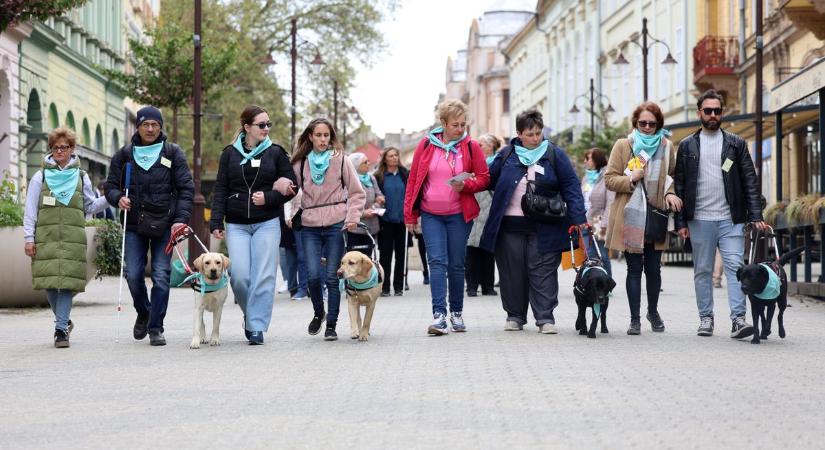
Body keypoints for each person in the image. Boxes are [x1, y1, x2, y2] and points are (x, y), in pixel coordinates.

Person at [480, 109, 586, 334]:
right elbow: (488, 179)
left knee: (543, 271)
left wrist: (579, 219)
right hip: (509, 227)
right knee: (512, 273)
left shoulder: (554, 154)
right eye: (530, 134)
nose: (535, 138)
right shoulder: (507, 154)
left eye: (538, 133)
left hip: (546, 226)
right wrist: (468, 182)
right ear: (519, 133)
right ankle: (515, 316)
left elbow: (571, 187)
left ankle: (545, 318)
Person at [674, 89, 766, 339]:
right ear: (699, 113)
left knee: (737, 269)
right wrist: (680, 222)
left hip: (730, 218)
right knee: (703, 270)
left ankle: (738, 319)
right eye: (708, 110)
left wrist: (755, 214)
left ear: (722, 113)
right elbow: (679, 186)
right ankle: (706, 318)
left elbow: (749, 180)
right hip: (699, 219)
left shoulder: (735, 143)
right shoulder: (687, 145)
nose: (713, 115)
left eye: (717, 110)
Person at [104, 106, 194, 347]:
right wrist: (116, 198)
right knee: (133, 274)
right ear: (138, 127)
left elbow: (186, 189)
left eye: (155, 124)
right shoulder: (124, 155)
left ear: (161, 127)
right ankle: (144, 311)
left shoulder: (173, 153)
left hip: (165, 224)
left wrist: (180, 220)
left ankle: (156, 327)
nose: (151, 129)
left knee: (162, 276)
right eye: (146, 124)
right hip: (134, 223)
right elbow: (110, 185)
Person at [209, 105, 296, 345]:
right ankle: (251, 315)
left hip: (267, 222)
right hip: (236, 224)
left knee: (264, 276)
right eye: (261, 125)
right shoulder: (229, 154)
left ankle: (256, 326)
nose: (266, 129)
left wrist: (269, 198)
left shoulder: (276, 153)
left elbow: (292, 187)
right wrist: (216, 221)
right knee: (238, 276)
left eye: (269, 124)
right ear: (247, 127)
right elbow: (221, 190)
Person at [403, 99, 489, 335]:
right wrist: (409, 214)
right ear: (443, 123)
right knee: (437, 263)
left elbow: (484, 177)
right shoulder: (426, 145)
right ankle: (439, 315)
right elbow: (413, 181)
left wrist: (467, 185)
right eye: (455, 125)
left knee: (456, 264)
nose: (460, 129)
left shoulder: (471, 146)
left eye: (463, 124)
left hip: (459, 215)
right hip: (431, 214)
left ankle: (457, 313)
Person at [23, 127, 109, 347]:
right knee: (50, 283)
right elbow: (31, 210)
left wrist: (112, 198)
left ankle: (61, 330)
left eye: (64, 147)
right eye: (56, 147)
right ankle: (64, 320)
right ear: (51, 149)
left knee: (67, 285)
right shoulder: (40, 176)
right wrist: (29, 238)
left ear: (72, 149)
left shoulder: (81, 176)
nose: (60, 151)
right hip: (46, 237)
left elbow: (91, 205)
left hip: (73, 238)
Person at [604, 102, 682, 335]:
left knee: (654, 270)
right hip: (631, 215)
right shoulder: (623, 145)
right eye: (642, 123)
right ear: (635, 124)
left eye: (652, 124)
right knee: (634, 269)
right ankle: (635, 319)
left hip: (656, 214)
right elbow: (609, 179)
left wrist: (670, 193)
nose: (647, 128)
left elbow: (672, 178)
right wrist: (630, 179)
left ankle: (653, 311)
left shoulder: (667, 147)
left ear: (659, 125)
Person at [292, 118, 366, 341]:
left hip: (335, 223)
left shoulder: (341, 161)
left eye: (326, 135)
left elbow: (356, 192)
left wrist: (352, 217)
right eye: (318, 135)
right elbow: (289, 190)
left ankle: (331, 325)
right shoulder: (299, 163)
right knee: (313, 276)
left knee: (333, 277)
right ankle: (319, 313)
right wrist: (288, 205)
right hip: (309, 224)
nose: (323, 139)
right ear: (310, 137)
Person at [465, 133, 500, 297]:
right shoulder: (471, 162)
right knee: (472, 248)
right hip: (475, 205)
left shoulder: (497, 163)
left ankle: (487, 285)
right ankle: (471, 285)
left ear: (491, 146)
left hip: (490, 206)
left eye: (482, 144)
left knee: (488, 248)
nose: (478, 147)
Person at [374, 147, 409, 296]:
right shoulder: (379, 176)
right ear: (385, 159)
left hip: (402, 221)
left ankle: (399, 286)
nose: (394, 158)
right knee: (385, 256)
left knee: (401, 255)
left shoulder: (404, 174)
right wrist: (378, 200)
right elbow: (375, 195)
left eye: (396, 155)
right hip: (385, 221)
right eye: (391, 156)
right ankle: (385, 287)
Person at [583, 148, 614, 276]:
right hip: (585, 220)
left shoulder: (607, 176)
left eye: (588, 158)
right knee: (589, 255)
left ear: (596, 160)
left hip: (599, 220)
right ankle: (593, 282)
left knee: (602, 254)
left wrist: (605, 223)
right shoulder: (585, 178)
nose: (585, 161)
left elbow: (610, 202)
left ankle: (607, 282)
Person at [347, 152, 384, 256]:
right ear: (356, 165)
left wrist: (374, 207)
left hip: (371, 227)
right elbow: (346, 204)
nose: (369, 163)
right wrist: (363, 213)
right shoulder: (349, 181)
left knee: (367, 259)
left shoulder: (371, 178)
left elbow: (379, 196)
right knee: (354, 259)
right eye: (365, 162)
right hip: (354, 228)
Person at [281, 199, 308, 301]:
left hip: (317, 219)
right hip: (297, 221)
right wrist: (288, 217)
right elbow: (288, 199)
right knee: (301, 256)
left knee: (316, 255)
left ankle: (320, 286)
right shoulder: (297, 183)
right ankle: (302, 288)